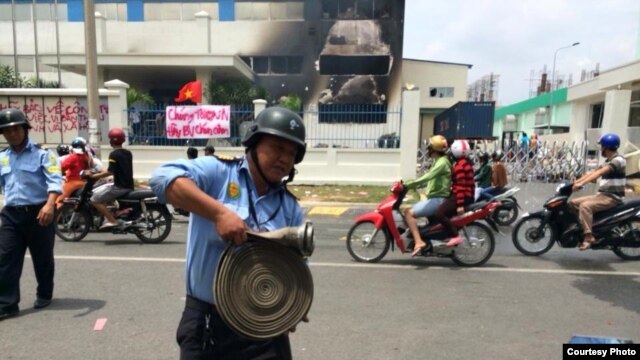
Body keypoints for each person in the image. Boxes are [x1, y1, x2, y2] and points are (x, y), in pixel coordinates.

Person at [150, 106, 308, 359]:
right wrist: (219, 214)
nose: (285, 159)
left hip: (265, 330)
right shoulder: (218, 173)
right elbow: (162, 179)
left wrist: (294, 303)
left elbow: (297, 267)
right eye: (277, 147)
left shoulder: (289, 208)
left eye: (292, 153)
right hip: (208, 324)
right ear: (254, 144)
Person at [0, 109, 62, 320]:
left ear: (25, 129)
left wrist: (50, 205)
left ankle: (44, 294)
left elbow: (54, 180)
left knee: (42, 258)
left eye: (16, 128)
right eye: (7, 131)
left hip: (39, 213)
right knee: (5, 259)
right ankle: (7, 304)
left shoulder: (43, 154)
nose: (12, 134)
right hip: (11, 215)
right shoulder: (3, 158)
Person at [569, 133, 626, 250]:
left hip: (613, 197)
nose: (601, 149)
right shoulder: (608, 161)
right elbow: (592, 173)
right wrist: (574, 183)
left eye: (602, 147)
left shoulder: (619, 160)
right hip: (603, 195)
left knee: (585, 206)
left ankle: (589, 236)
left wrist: (581, 183)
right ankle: (585, 227)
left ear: (606, 147)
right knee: (572, 203)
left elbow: (600, 173)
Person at [402, 135, 451, 256]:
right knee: (408, 211)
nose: (428, 150)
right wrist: (414, 186)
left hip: (438, 200)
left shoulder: (442, 163)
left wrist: (409, 184)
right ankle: (420, 237)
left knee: (408, 213)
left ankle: (418, 242)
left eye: (429, 147)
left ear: (434, 149)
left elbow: (429, 176)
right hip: (434, 198)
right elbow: (431, 180)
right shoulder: (439, 161)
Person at [86, 128, 134, 229]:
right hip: (128, 185)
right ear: (123, 140)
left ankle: (112, 220)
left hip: (120, 187)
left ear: (111, 141)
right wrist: (98, 172)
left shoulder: (113, 154)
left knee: (94, 199)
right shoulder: (127, 153)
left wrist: (94, 176)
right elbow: (114, 169)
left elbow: (110, 172)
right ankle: (112, 214)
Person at [434, 140, 475, 246]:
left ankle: (455, 236)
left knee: (439, 213)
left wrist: (460, 204)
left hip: (460, 196)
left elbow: (461, 185)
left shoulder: (459, 166)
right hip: (465, 196)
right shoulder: (466, 162)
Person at [56, 137, 92, 208]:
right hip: (84, 182)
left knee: (59, 201)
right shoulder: (86, 156)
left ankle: (56, 218)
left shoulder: (73, 157)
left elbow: (61, 168)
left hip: (73, 182)